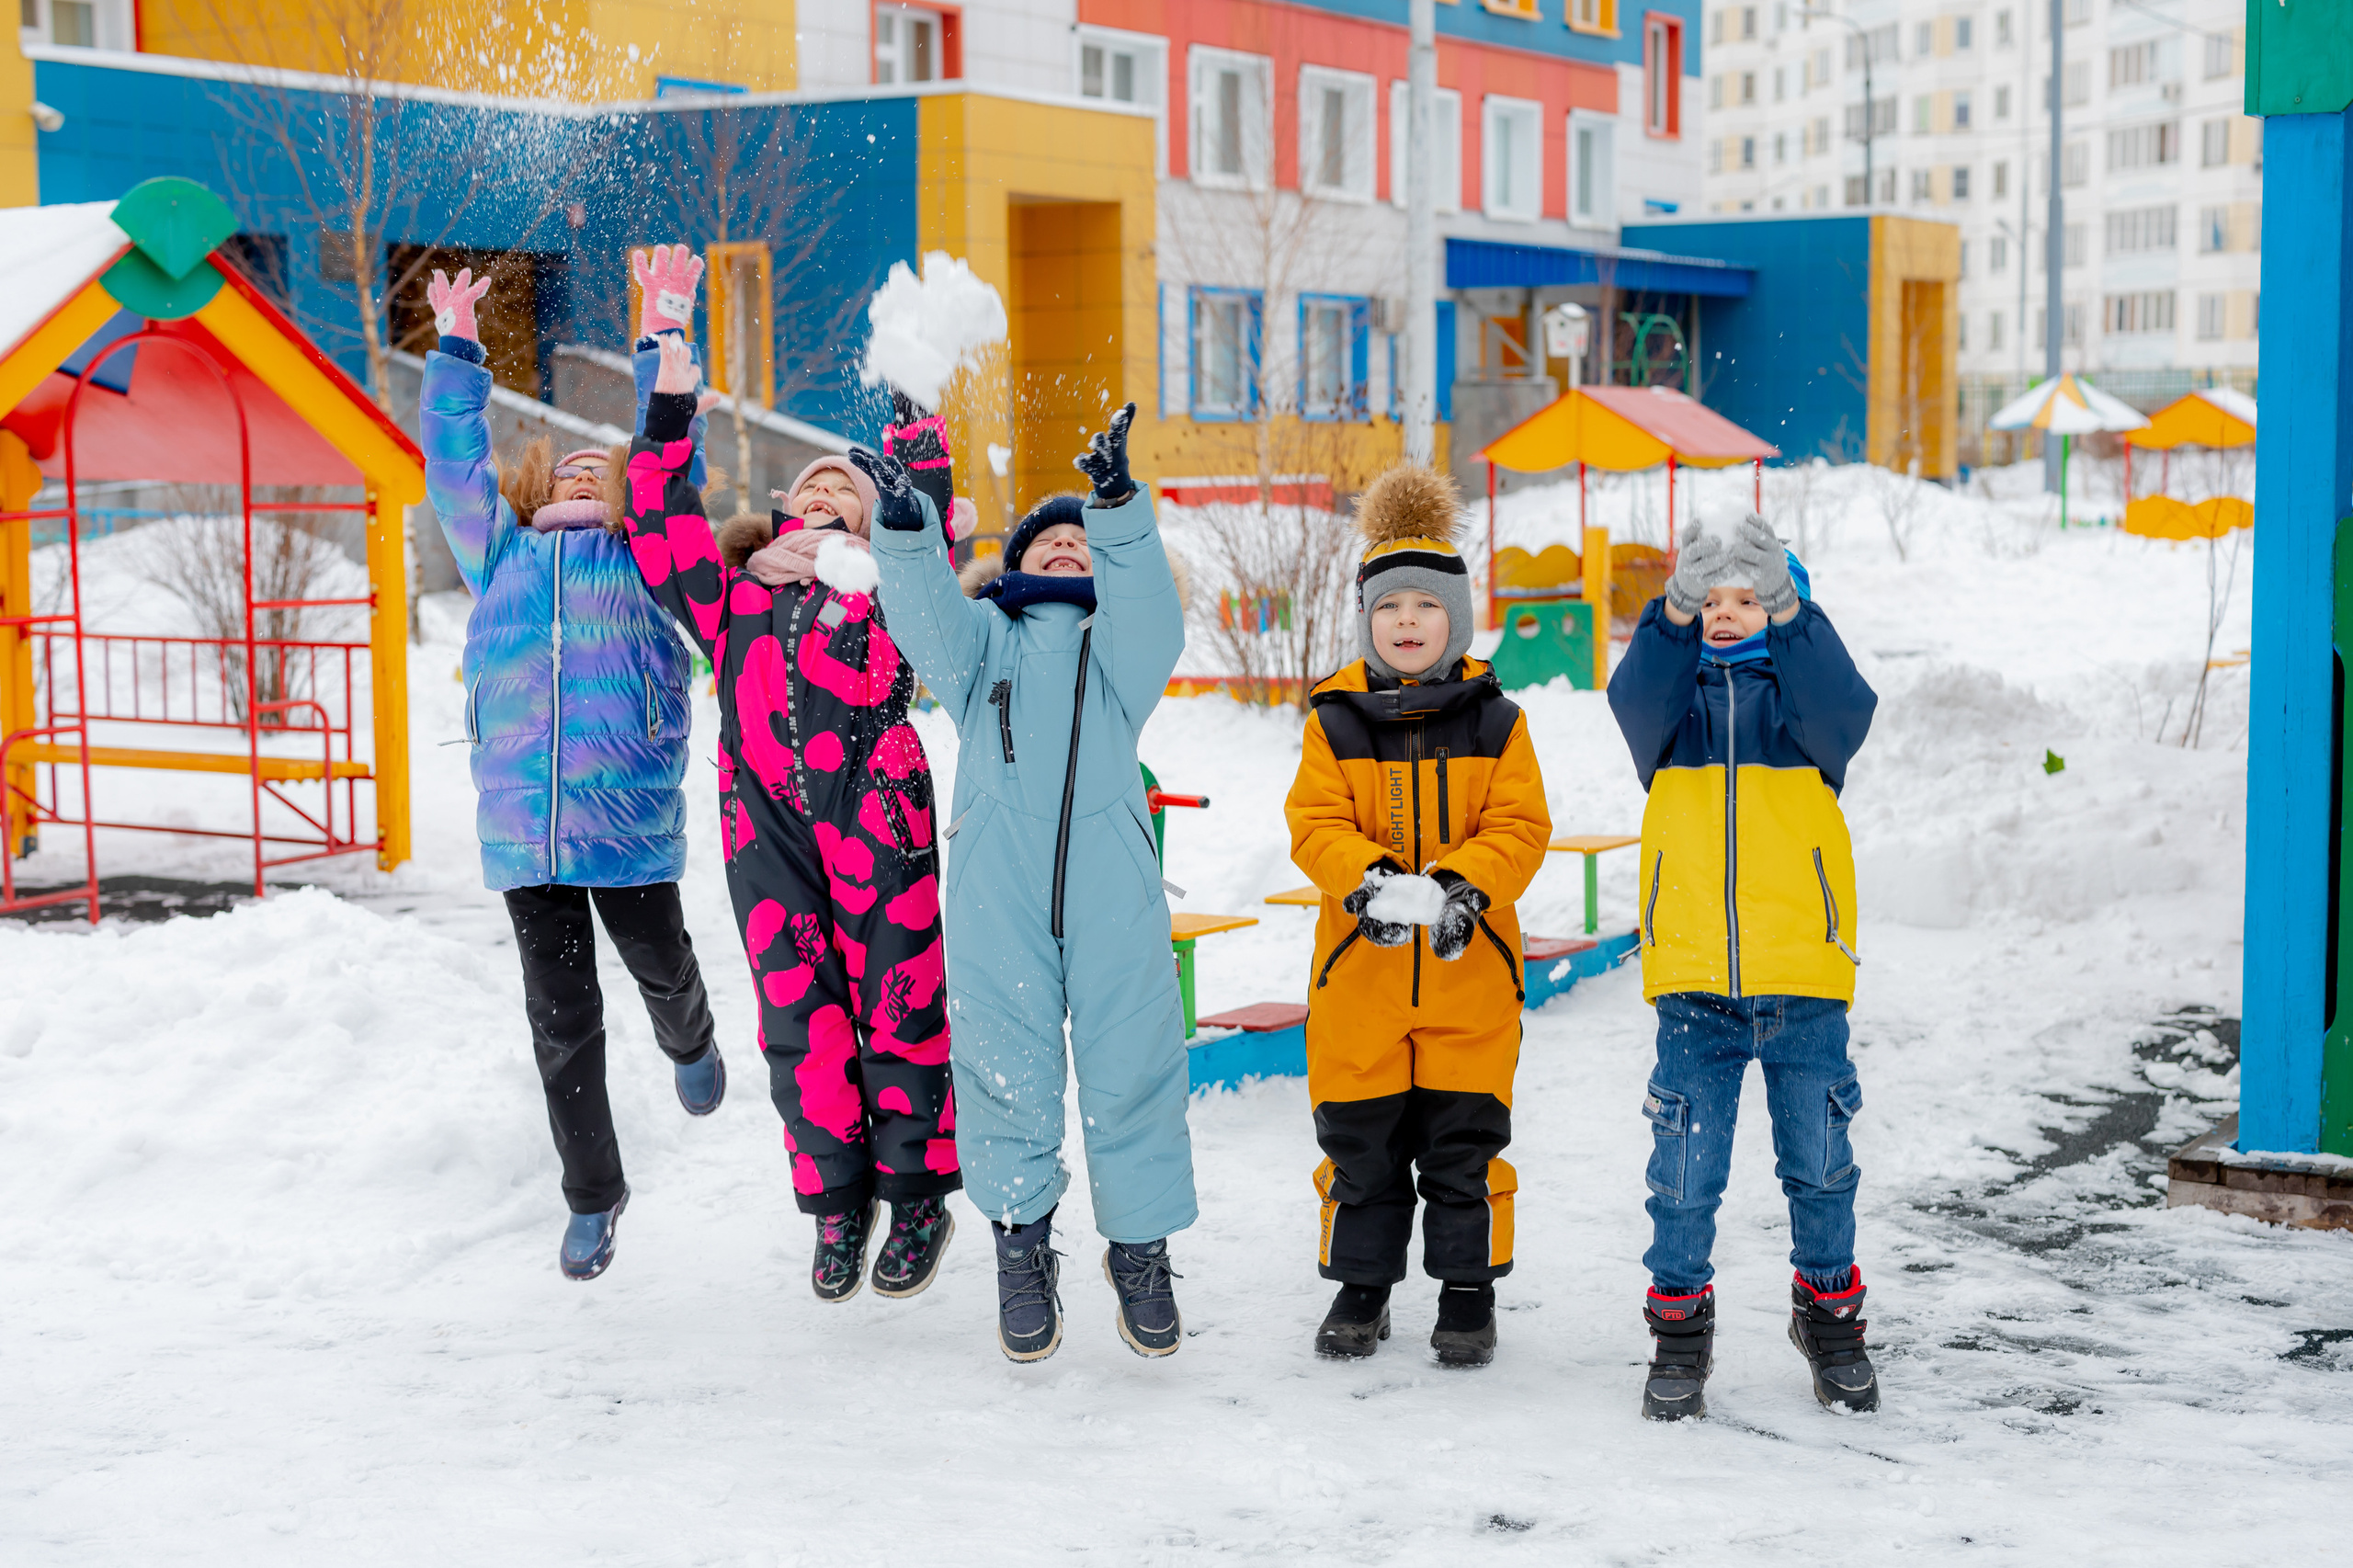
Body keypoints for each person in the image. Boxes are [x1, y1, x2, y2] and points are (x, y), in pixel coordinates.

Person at [624, 326, 961, 1304]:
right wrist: (670, 406)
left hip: (877, 814)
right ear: (780, 509)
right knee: (798, 1019)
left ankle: (916, 1191)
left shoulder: (892, 584)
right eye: (809, 487)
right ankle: (836, 1199)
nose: (822, 495)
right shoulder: (733, 600)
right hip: (764, 830)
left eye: (844, 490)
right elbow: (658, 518)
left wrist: (914, 414)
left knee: (899, 999)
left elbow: (927, 523)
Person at [870, 403, 1196, 1363]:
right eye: (1048, 538)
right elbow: (923, 609)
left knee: (1133, 1062)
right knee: (1004, 1067)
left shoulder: (1122, 653)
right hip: (996, 891)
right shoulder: (981, 646)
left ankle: (1139, 1245)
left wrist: (1118, 507)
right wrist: (903, 527)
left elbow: (1154, 613)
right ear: (1014, 564)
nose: (1065, 548)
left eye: (1079, 542)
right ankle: (1020, 1247)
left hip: (1111, 890)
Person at [419, 261, 722, 1283]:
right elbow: (454, 467)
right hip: (524, 837)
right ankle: (592, 1197)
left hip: (624, 820)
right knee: (561, 1019)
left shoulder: (648, 558)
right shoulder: (498, 555)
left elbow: (671, 459)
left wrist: (662, 328)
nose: (586, 474)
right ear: (541, 485)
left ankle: (690, 1041)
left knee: (660, 964)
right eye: (570, 469)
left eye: (604, 467)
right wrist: (458, 348)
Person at [1605, 511, 1881, 1420]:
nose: (1727, 613)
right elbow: (1631, 693)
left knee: (1819, 1164)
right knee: (1682, 1177)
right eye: (1710, 598)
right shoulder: (1670, 715)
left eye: (1746, 597)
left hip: (1802, 981)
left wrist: (1795, 612)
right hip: (1694, 990)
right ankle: (1679, 1332)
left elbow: (1847, 704)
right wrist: (1670, 612)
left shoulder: (1803, 714)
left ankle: (1830, 1317)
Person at [1282, 463, 1552, 1369]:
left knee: (1460, 1143)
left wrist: (1461, 886)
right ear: (1368, 621)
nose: (1407, 621)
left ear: (1457, 619)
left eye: (1426, 607)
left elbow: (1519, 825)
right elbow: (1312, 822)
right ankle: (1362, 1287)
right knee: (1360, 1140)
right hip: (1360, 977)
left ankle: (1466, 1291)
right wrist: (1365, 880)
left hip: (1467, 975)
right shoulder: (1334, 720)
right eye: (1390, 606)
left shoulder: (1496, 721)